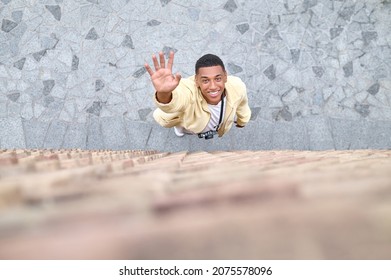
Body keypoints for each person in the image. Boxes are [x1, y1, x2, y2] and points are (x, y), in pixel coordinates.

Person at [144, 51, 251, 139]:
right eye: (205, 80)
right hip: (191, 126)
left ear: (225, 76)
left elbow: (242, 103)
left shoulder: (237, 86)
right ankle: (179, 129)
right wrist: (164, 93)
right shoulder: (189, 90)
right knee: (181, 125)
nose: (213, 86)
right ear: (196, 80)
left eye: (218, 78)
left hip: (215, 126)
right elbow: (177, 99)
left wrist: (243, 119)